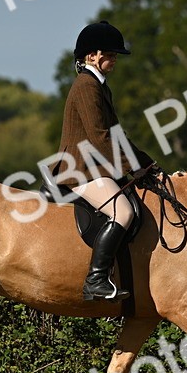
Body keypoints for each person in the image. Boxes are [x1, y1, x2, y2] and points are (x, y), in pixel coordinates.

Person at [52, 20, 160, 301]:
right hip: (79, 169)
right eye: (110, 55)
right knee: (122, 212)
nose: (113, 60)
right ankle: (96, 280)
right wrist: (131, 168)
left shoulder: (100, 87)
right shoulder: (87, 86)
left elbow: (116, 136)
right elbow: (100, 138)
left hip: (94, 166)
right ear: (91, 56)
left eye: (114, 56)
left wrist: (147, 164)